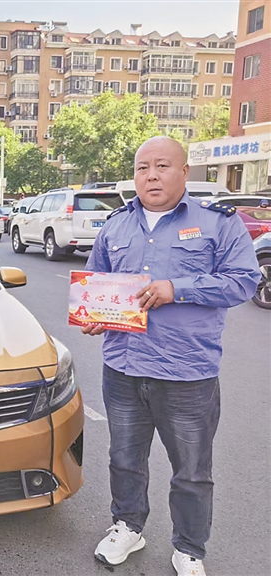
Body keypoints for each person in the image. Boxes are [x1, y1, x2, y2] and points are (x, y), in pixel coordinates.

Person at [82, 137, 260, 576]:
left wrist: (176, 289)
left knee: (192, 471)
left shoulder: (217, 223)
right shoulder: (116, 225)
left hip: (187, 372)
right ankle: (128, 526)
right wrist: (95, 315)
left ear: (184, 172)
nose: (151, 176)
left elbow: (243, 281)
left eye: (162, 166)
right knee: (124, 459)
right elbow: (94, 282)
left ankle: (189, 548)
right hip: (123, 366)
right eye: (142, 167)